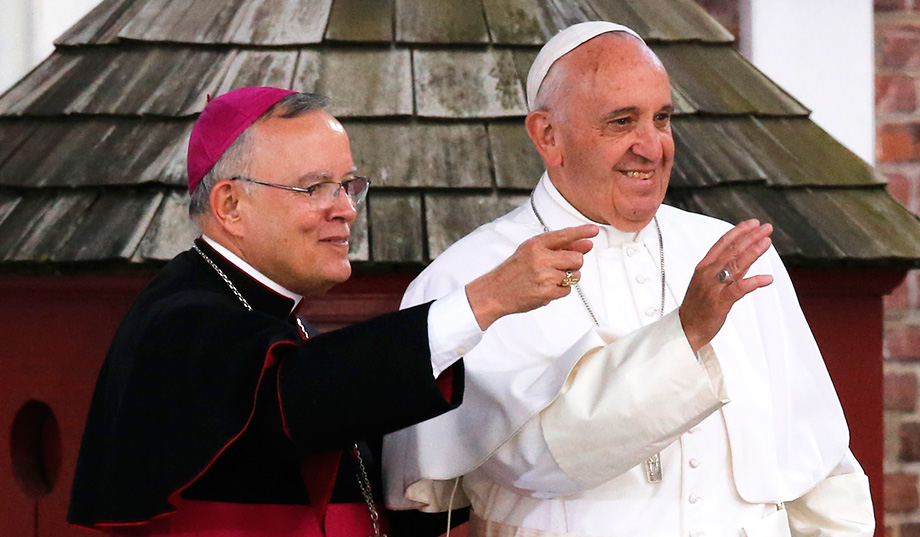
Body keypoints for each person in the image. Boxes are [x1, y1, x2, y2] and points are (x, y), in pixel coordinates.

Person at [383, 22, 875, 537]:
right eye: (622, 122)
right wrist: (686, 334)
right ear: (548, 136)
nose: (652, 147)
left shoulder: (734, 255)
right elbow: (535, 460)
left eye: (661, 119)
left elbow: (820, 469)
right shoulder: (469, 282)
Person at [67, 86, 599, 537]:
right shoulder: (180, 322)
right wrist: (485, 300)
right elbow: (299, 397)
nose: (346, 209)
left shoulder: (291, 327)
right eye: (315, 187)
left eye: (347, 186)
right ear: (231, 205)